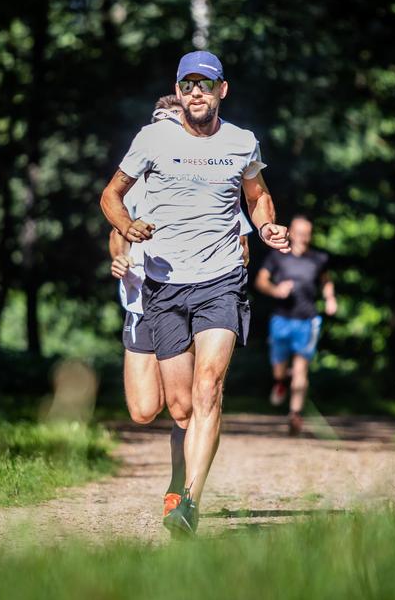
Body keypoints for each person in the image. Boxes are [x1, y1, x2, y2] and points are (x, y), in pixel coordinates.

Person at [101, 50, 290, 535]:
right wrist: (127, 226)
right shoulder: (152, 139)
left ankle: (189, 503)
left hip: (221, 281)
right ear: (179, 91)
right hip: (164, 285)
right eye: (187, 85)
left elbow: (257, 195)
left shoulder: (242, 142)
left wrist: (266, 227)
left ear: (222, 90)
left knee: (210, 388)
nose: (196, 93)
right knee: (180, 407)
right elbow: (110, 196)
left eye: (205, 84)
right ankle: (179, 483)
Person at [108, 91, 253, 522]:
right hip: (143, 302)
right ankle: (183, 485)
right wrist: (119, 255)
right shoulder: (141, 173)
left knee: (193, 399)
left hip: (200, 290)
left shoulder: (205, 177)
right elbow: (116, 229)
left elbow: (241, 231)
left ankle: (183, 492)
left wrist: (229, 278)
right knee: (144, 410)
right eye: (159, 122)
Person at [254, 215, 337, 436]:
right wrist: (276, 290)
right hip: (281, 319)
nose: (303, 238)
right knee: (280, 368)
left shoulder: (318, 259)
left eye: (307, 234)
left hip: (308, 321)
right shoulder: (277, 257)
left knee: (301, 369)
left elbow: (326, 280)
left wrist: (330, 298)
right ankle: (280, 381)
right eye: (299, 233)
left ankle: (295, 415)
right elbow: (260, 281)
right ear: (291, 233)